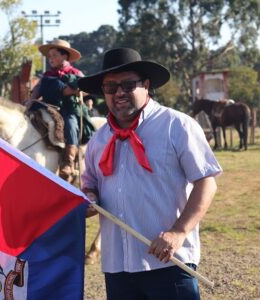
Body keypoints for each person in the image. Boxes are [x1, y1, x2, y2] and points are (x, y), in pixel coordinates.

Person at [78, 48, 222, 300]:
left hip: (168, 261)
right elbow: (90, 186)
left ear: (146, 85)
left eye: (128, 84)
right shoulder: (98, 140)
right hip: (117, 266)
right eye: (110, 87)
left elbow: (206, 183)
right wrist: (90, 198)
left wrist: (178, 232)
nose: (119, 92)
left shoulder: (177, 126)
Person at [26, 39, 94, 181]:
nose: (51, 59)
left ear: (65, 56)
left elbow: (87, 90)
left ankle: (68, 162)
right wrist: (27, 104)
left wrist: (77, 93)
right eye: (49, 56)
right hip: (48, 107)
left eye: (54, 55)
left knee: (70, 124)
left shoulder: (76, 73)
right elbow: (36, 92)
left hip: (69, 108)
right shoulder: (47, 76)